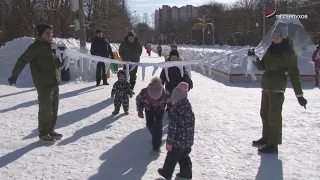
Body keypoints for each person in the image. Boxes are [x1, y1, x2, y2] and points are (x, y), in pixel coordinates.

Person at [248, 21, 308, 153]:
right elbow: (263, 66)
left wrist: (299, 95)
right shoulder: (270, 49)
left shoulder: (289, 53)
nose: (275, 40)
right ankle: (266, 138)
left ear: (284, 37)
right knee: (264, 113)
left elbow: (294, 74)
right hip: (267, 86)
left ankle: (273, 144)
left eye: (277, 38)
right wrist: (255, 58)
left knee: (274, 116)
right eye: (274, 37)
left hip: (277, 88)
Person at [8, 23, 65, 143]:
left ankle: (50, 130)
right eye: (47, 33)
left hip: (54, 82)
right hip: (44, 84)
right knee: (45, 109)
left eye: (51, 32)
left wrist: (63, 56)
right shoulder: (35, 47)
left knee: (54, 109)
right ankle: (43, 133)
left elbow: (56, 64)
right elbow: (22, 60)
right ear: (41, 34)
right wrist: (14, 75)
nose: (50, 35)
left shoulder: (51, 46)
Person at [158, 82, 195, 180]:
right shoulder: (189, 110)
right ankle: (186, 175)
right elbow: (191, 127)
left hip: (177, 143)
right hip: (187, 143)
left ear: (177, 99)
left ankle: (166, 173)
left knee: (171, 159)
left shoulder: (176, 111)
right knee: (184, 158)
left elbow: (173, 129)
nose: (173, 101)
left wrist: (169, 142)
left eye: (174, 99)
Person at [136, 77, 170, 151]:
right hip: (149, 109)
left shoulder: (165, 94)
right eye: (152, 98)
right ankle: (156, 135)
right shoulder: (144, 92)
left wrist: (172, 111)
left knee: (158, 124)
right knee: (149, 124)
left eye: (157, 99)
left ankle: (156, 145)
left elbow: (171, 102)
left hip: (160, 109)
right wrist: (140, 110)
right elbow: (139, 99)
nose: (155, 100)